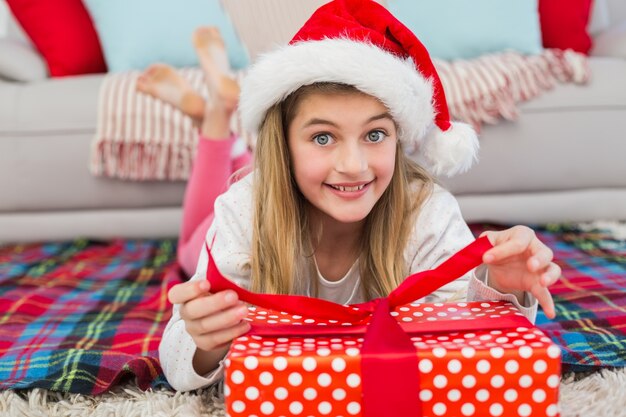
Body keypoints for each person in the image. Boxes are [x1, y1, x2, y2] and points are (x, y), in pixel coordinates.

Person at [159, 0, 562, 392]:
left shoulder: (428, 211)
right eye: (322, 137)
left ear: (398, 138)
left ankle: (220, 128)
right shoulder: (243, 209)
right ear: (284, 145)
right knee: (189, 249)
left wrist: (501, 291)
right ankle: (215, 129)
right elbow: (177, 364)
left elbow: (468, 353)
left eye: (374, 135)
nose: (353, 165)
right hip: (236, 214)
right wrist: (205, 340)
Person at [136, 27, 252, 276]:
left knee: (253, 186)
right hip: (255, 221)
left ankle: (213, 118)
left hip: (248, 218)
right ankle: (214, 116)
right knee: (251, 191)